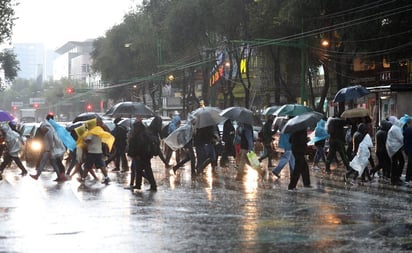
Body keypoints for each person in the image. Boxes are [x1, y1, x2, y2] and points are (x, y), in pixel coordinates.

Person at [80, 118, 114, 185]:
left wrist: (83, 139)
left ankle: (83, 179)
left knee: (87, 166)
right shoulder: (99, 131)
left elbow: (88, 140)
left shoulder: (92, 132)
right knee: (101, 166)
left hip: (92, 152)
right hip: (99, 151)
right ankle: (107, 178)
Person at [127, 120, 157, 191]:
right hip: (146, 156)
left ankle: (149, 185)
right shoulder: (145, 134)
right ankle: (141, 185)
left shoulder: (140, 135)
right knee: (142, 170)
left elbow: (139, 146)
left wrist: (137, 154)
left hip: (141, 156)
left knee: (144, 170)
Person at [385, 116, 405, 185]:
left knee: (395, 162)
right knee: (399, 162)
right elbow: (401, 139)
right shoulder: (395, 129)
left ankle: (395, 177)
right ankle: (395, 177)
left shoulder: (394, 128)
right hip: (395, 149)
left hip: (394, 148)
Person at [403, 117, 412, 184]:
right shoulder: (410, 129)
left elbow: (404, 138)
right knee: (410, 163)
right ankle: (408, 177)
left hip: (407, 148)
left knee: (410, 162)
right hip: (410, 148)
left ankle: (408, 177)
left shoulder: (406, 129)